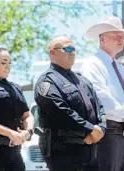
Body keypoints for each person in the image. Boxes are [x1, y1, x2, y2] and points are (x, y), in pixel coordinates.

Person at [34, 35, 106, 171]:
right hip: (64, 152)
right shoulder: (47, 82)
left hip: (90, 149)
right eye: (67, 48)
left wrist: (101, 128)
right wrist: (91, 128)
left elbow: (99, 107)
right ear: (52, 52)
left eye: (73, 49)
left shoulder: (82, 80)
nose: (72, 52)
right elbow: (61, 111)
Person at [81, 16, 124, 171]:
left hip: (119, 132)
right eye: (116, 37)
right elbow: (102, 99)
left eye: (122, 37)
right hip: (109, 131)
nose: (121, 40)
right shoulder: (93, 63)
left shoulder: (118, 67)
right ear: (102, 39)